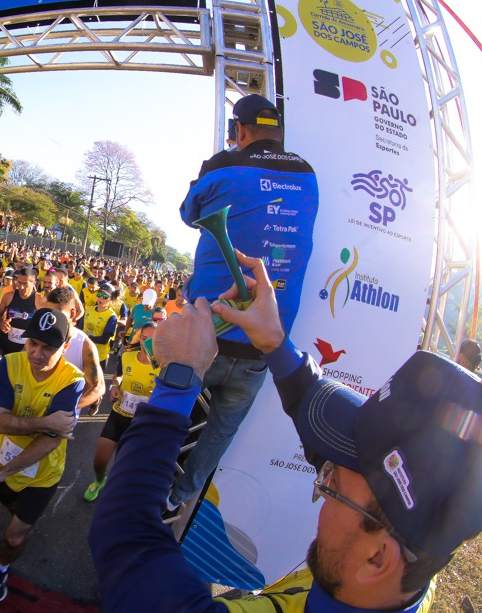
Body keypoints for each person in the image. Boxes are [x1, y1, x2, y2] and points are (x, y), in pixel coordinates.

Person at [89, 250, 481, 612]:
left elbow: (125, 534)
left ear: (377, 558)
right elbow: (329, 441)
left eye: (330, 485)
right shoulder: (416, 563)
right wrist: (275, 343)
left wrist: (179, 378)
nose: (320, 469)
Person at [170, 93, 319, 514]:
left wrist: (207, 171)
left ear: (239, 130)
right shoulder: (307, 173)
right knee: (220, 432)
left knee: (170, 414)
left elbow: (187, 213)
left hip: (206, 333)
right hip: (261, 346)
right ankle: (179, 496)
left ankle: (146, 485)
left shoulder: (222, 165)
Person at [0, 308, 84, 603]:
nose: (36, 354)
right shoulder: (10, 364)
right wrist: (47, 422)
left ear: (65, 347)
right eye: (32, 344)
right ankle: (21, 522)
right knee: (12, 511)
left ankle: (0, 568)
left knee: (13, 536)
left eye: (48, 347)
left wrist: (3, 472)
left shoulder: (71, 380)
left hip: (43, 474)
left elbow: (49, 443)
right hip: (5, 462)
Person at [84, 322, 157, 502]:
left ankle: (116, 494)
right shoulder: (127, 356)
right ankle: (99, 481)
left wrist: (157, 395)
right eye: (144, 338)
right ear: (139, 338)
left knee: (123, 464)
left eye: (152, 340)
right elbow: (117, 376)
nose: (147, 343)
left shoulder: (162, 365)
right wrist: (115, 386)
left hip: (141, 420)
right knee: (100, 460)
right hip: (119, 413)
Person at [44, 287, 106, 414]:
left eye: (58, 313)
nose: (52, 318)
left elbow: (99, 387)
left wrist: (71, 406)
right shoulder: (40, 334)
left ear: (72, 313)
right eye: (49, 312)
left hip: (63, 415)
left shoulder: (84, 345)